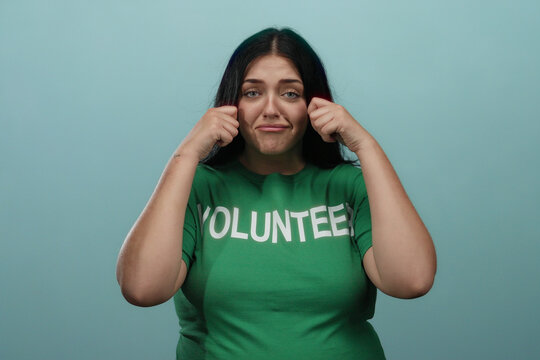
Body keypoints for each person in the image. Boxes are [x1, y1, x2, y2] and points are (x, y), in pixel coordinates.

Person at [116, 27, 437, 360]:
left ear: (314, 104)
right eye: (253, 93)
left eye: (290, 94)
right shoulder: (199, 187)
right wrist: (186, 156)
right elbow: (142, 289)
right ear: (232, 104)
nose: (270, 109)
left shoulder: (348, 187)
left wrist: (365, 145)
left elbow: (411, 281)